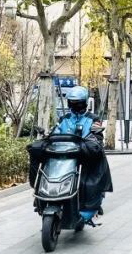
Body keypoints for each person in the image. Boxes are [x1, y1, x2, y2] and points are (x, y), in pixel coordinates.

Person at [27, 86, 113, 219]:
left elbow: (97, 137)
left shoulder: (93, 119)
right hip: (64, 155)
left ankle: (93, 201)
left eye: (78, 102)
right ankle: (40, 195)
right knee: (37, 151)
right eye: (72, 102)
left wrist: (93, 141)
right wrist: (48, 137)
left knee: (94, 165)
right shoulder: (64, 119)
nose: (75, 105)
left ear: (85, 102)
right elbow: (55, 133)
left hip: (82, 156)